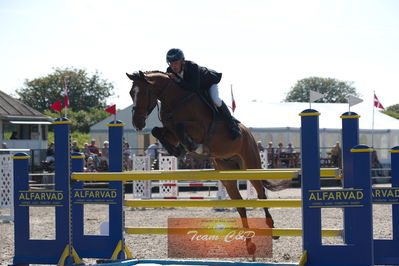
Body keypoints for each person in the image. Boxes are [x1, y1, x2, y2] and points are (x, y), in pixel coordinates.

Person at [165, 48, 241, 140]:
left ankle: (232, 123)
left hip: (208, 83)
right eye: (171, 63)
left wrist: (177, 80)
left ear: (182, 61)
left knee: (215, 99)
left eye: (176, 63)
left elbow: (194, 88)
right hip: (193, 87)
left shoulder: (193, 66)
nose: (174, 66)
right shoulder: (169, 70)